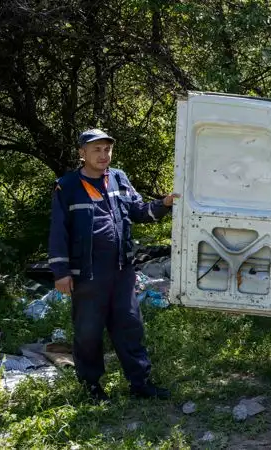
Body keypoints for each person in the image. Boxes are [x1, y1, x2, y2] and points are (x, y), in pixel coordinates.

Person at [48, 128, 180, 402]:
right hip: (87, 274)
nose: (103, 155)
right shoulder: (67, 185)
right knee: (88, 332)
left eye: (107, 149)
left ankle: (140, 384)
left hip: (122, 270)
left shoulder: (118, 178)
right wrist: (61, 273)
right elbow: (58, 232)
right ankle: (92, 387)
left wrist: (165, 203)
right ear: (82, 153)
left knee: (130, 326)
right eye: (96, 149)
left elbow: (138, 211)